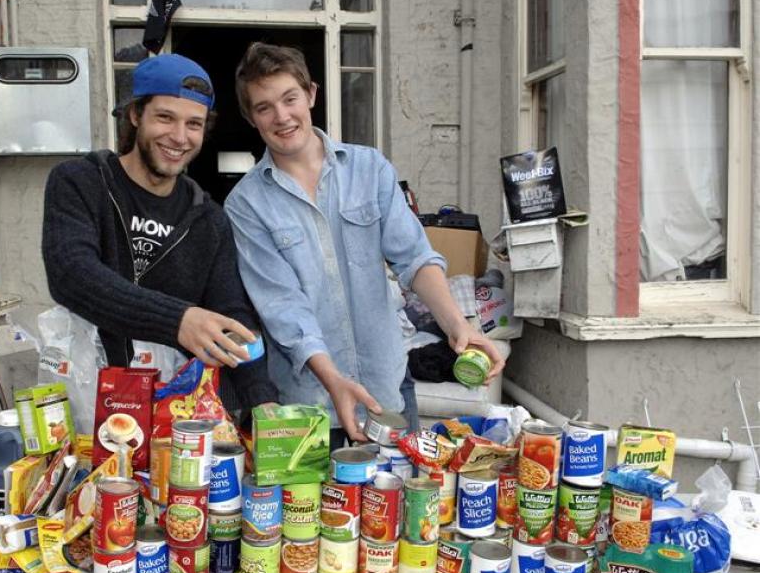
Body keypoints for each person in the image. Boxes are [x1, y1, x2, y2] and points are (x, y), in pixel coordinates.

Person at [224, 43, 504, 445]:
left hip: (386, 389)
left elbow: (415, 257)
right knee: (316, 509)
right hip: (309, 408)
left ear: (312, 94)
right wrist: (334, 381)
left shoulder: (369, 168)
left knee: (399, 503)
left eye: (290, 98)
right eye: (265, 107)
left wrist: (458, 326)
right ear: (252, 118)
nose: (282, 116)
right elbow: (283, 307)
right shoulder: (246, 205)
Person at [42, 53, 277, 414]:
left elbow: (232, 315)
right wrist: (177, 321)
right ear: (136, 115)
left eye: (194, 124)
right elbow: (71, 274)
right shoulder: (80, 182)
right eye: (165, 117)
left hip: (175, 412)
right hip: (87, 402)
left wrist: (263, 402)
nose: (179, 137)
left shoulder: (209, 220)